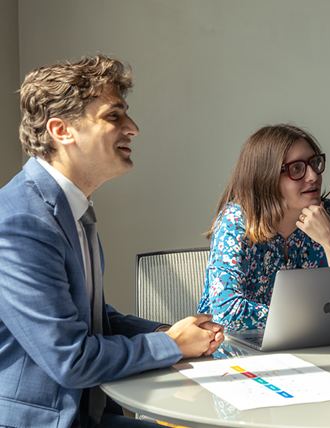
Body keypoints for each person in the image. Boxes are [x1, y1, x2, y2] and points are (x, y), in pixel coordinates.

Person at [0, 55, 224, 428]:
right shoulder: (20, 222)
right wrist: (173, 346)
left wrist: (164, 332)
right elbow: (71, 359)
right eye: (113, 116)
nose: (133, 128)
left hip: (91, 415)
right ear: (62, 130)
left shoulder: (71, 208)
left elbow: (93, 320)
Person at [198, 124, 330, 331]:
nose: (313, 176)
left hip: (313, 344)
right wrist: (312, 317)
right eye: (296, 169)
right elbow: (227, 312)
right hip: (233, 348)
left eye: (315, 163)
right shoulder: (237, 220)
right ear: (266, 177)